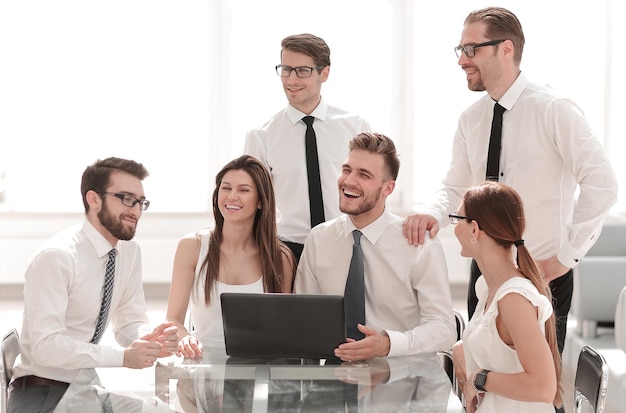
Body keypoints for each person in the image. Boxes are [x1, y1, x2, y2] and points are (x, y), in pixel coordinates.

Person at [402, 6, 618, 356]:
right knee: (480, 376)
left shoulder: (554, 110)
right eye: (461, 50)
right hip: (483, 271)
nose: (462, 60)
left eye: (471, 49)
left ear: (506, 49)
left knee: (538, 392)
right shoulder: (471, 119)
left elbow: (602, 183)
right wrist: (433, 213)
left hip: (541, 273)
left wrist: (565, 258)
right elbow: (456, 185)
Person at [9, 157, 179, 413]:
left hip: (84, 386)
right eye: (126, 198)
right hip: (42, 394)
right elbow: (46, 348)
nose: (135, 210)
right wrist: (124, 358)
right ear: (94, 199)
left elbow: (129, 320)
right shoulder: (57, 257)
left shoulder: (129, 251)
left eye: (140, 202)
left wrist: (146, 340)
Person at [295, 132, 456, 360]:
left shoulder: (419, 245)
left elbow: (444, 330)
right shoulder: (319, 239)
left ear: (387, 189)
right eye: (347, 170)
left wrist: (390, 344)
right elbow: (304, 318)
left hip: (402, 379)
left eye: (364, 175)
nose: (349, 181)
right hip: (332, 378)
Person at [244, 33, 371, 262]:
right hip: (285, 251)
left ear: (325, 73)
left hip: (345, 244)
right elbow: (251, 204)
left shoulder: (355, 127)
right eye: (286, 69)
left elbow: (372, 189)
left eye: (302, 71)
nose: (291, 80)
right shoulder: (261, 136)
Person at [166, 155, 296, 359]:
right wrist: (184, 338)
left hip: (257, 375)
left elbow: (281, 331)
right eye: (226, 188)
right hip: (200, 370)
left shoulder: (280, 258)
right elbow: (173, 319)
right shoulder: (192, 246)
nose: (232, 196)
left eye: (243, 190)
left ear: (261, 200)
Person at [450, 181, 562, 412]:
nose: (454, 227)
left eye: (457, 219)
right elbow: (498, 345)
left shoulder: (513, 299)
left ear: (475, 230)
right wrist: (463, 347)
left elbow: (543, 387)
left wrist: (480, 378)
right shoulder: (490, 288)